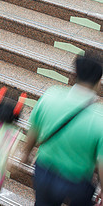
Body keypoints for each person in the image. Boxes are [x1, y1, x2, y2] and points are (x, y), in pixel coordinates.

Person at [21, 53, 103, 206]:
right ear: (99, 81)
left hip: (44, 172)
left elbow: (34, 130)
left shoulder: (51, 95)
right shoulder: (100, 118)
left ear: (74, 75)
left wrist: (26, 153)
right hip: (77, 183)